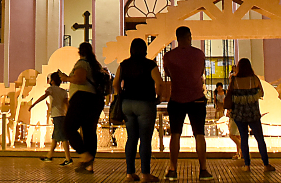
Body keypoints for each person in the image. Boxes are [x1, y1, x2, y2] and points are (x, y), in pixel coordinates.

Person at [162, 26, 212, 181]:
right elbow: (201, 72)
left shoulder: (169, 56)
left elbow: (168, 74)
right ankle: (203, 169)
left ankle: (172, 169)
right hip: (197, 98)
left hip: (176, 98)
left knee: (175, 134)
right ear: (189, 37)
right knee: (199, 134)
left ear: (177, 38)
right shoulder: (199, 54)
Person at [115, 37, 162, 182]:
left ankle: (130, 173)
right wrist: (158, 97)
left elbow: (115, 83)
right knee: (145, 139)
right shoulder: (150, 65)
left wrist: (120, 96)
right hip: (145, 103)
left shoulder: (124, 64)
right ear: (145, 50)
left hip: (127, 103)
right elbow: (159, 82)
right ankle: (145, 174)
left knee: (131, 138)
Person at [60, 42, 107, 173]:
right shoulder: (95, 65)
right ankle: (89, 165)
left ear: (79, 52)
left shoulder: (81, 64)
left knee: (68, 127)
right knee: (89, 132)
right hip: (95, 100)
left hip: (82, 98)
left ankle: (84, 155)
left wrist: (66, 78)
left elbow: (80, 79)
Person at [227, 57, 274, 173]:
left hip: (239, 114)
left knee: (243, 138)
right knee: (260, 139)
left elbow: (230, 95)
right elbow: (261, 93)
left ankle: (247, 165)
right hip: (253, 114)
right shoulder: (254, 79)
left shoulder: (235, 80)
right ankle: (266, 164)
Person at [32, 72, 72, 164]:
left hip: (57, 115)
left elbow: (44, 96)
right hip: (62, 115)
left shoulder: (51, 89)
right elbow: (67, 104)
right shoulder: (63, 91)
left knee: (62, 137)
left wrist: (33, 105)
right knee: (56, 136)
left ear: (52, 81)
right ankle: (50, 156)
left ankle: (68, 158)